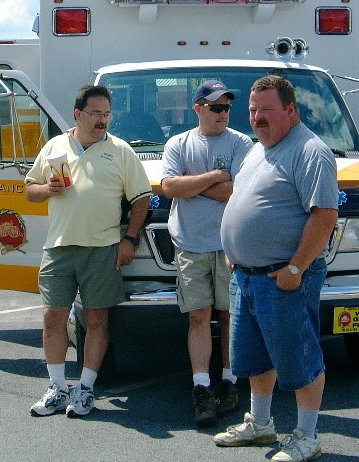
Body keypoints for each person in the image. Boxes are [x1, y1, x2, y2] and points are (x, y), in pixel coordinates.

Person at [215, 75, 338, 462]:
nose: (257, 117)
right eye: (253, 110)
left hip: (284, 278)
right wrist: (236, 250)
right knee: (254, 356)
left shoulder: (309, 151)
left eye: (267, 110)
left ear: (291, 110)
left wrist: (297, 269)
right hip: (248, 277)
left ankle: (306, 436)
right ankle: (261, 424)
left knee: (299, 358)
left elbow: (325, 215)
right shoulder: (257, 150)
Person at [25, 85, 152, 418]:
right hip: (59, 247)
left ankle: (84, 389)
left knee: (97, 320)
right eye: (96, 114)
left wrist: (130, 239)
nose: (103, 121)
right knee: (52, 318)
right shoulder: (54, 146)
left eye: (107, 114)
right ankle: (57, 389)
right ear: (78, 114)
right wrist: (45, 188)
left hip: (102, 249)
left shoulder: (121, 150)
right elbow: (29, 190)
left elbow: (142, 198)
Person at [161, 79, 253, 427]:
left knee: (231, 316)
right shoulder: (178, 143)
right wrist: (215, 176)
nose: (223, 113)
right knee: (198, 316)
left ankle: (230, 382)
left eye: (227, 107)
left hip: (232, 245)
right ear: (198, 108)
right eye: (216, 107)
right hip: (190, 243)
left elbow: (240, 191)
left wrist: (192, 186)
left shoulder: (242, 142)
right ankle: (201, 388)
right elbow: (169, 186)